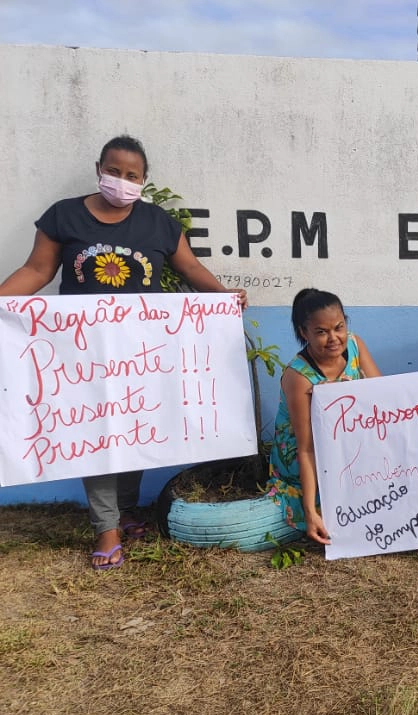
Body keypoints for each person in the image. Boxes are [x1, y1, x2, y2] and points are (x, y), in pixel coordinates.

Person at [0, 135, 247, 570]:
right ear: (99, 168)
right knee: (92, 432)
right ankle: (106, 527)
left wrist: (223, 296)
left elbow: (188, 268)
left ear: (143, 180)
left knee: (136, 428)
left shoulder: (158, 223)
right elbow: (37, 270)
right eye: (114, 171)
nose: (121, 181)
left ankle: (128, 508)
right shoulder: (65, 215)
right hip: (80, 354)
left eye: (132, 175)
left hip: (141, 353)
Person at [266, 289, 382, 545]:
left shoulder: (354, 345)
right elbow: (306, 449)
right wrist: (309, 510)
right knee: (332, 510)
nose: (334, 338)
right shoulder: (299, 377)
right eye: (321, 332)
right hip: (306, 457)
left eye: (339, 327)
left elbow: (380, 397)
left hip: (346, 443)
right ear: (303, 333)